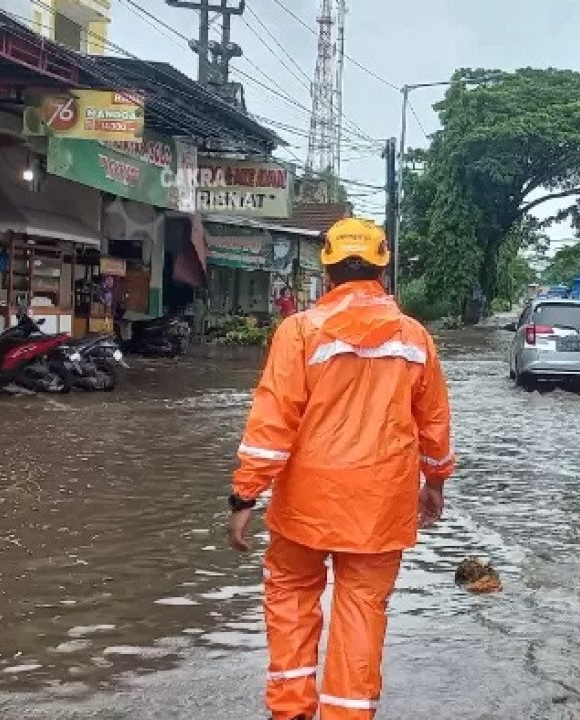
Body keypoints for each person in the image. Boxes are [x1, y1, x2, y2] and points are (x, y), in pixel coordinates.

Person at [228, 217, 455, 720]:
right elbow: (434, 425)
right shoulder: (415, 339)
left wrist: (245, 497)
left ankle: (290, 711)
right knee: (362, 610)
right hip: (380, 505)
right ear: (382, 267)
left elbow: (272, 422)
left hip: (304, 504)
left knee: (290, 599)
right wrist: (434, 484)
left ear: (327, 267)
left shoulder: (299, 332)